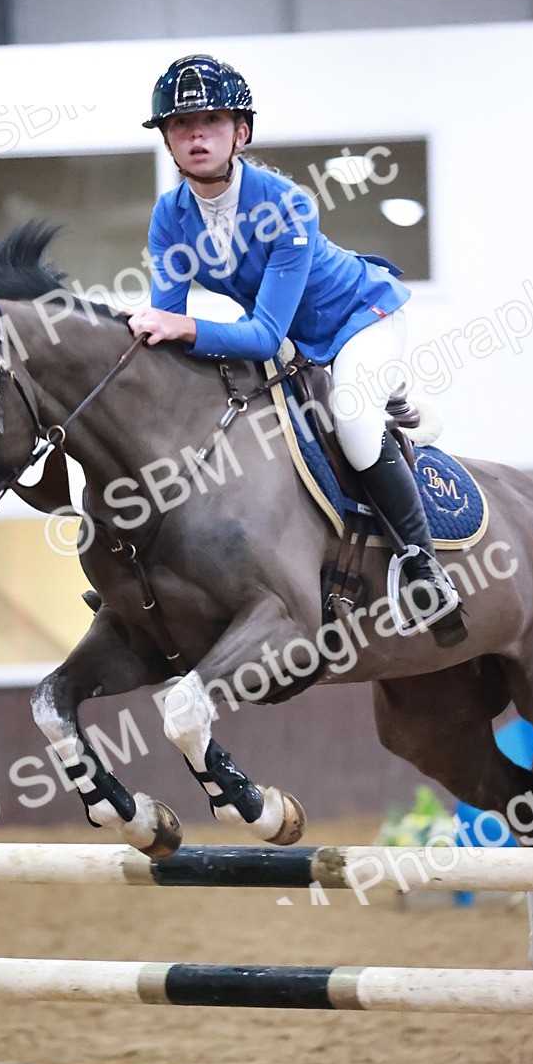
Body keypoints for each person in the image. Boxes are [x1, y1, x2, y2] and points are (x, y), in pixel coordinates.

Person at [129, 53, 464, 643]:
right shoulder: (169, 216)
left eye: (211, 119)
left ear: (242, 131)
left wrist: (178, 328)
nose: (196, 134)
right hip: (291, 343)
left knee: (354, 420)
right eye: (181, 125)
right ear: (167, 140)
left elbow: (259, 335)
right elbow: (170, 322)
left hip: (360, 321)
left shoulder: (285, 203)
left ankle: (420, 562)